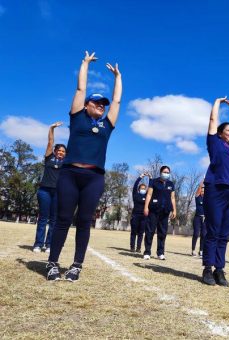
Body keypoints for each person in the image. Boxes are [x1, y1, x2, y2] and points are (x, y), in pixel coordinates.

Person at [46, 51, 122, 281]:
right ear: (87, 104)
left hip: (94, 178)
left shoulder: (107, 126)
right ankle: (52, 263)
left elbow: (116, 101)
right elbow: (80, 89)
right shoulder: (77, 118)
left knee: (84, 221)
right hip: (69, 174)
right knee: (62, 219)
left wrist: (118, 77)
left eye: (102, 104)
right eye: (97, 102)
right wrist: (85, 64)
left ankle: (76, 265)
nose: (101, 105)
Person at [202, 97, 229, 287]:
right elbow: (212, 121)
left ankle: (220, 269)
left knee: (224, 233)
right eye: (228, 130)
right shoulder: (215, 143)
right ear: (219, 134)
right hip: (216, 190)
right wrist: (218, 102)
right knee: (213, 230)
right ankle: (208, 269)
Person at [33, 122, 66, 253]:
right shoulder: (49, 158)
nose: (61, 153)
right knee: (43, 218)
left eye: (63, 151)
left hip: (58, 193)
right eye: (59, 150)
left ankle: (49, 244)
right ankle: (38, 244)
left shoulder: (67, 163)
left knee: (54, 220)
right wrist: (51, 128)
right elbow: (50, 142)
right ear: (55, 151)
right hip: (44, 191)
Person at [143, 166, 176, 260]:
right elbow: (149, 194)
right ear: (160, 172)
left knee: (162, 232)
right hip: (154, 210)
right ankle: (147, 252)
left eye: (168, 172)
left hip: (165, 211)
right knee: (150, 231)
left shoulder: (171, 184)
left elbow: (172, 198)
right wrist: (146, 207)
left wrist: (174, 209)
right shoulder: (153, 181)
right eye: (165, 172)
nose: (166, 174)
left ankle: (160, 253)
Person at [130, 173, 151, 253]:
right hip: (135, 216)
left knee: (141, 233)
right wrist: (140, 177)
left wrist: (150, 178)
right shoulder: (135, 195)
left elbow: (150, 188)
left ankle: (138, 248)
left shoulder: (146, 196)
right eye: (141, 188)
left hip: (144, 217)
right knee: (133, 232)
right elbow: (135, 186)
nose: (143, 189)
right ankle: (132, 247)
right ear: (139, 189)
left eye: (144, 188)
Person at [191, 179, 206, 257]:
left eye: (204, 191)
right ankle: (193, 250)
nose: (202, 192)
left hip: (205, 219)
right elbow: (199, 189)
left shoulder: (207, 199)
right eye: (201, 191)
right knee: (196, 234)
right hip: (197, 218)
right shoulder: (197, 197)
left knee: (203, 235)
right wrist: (202, 182)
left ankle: (201, 251)